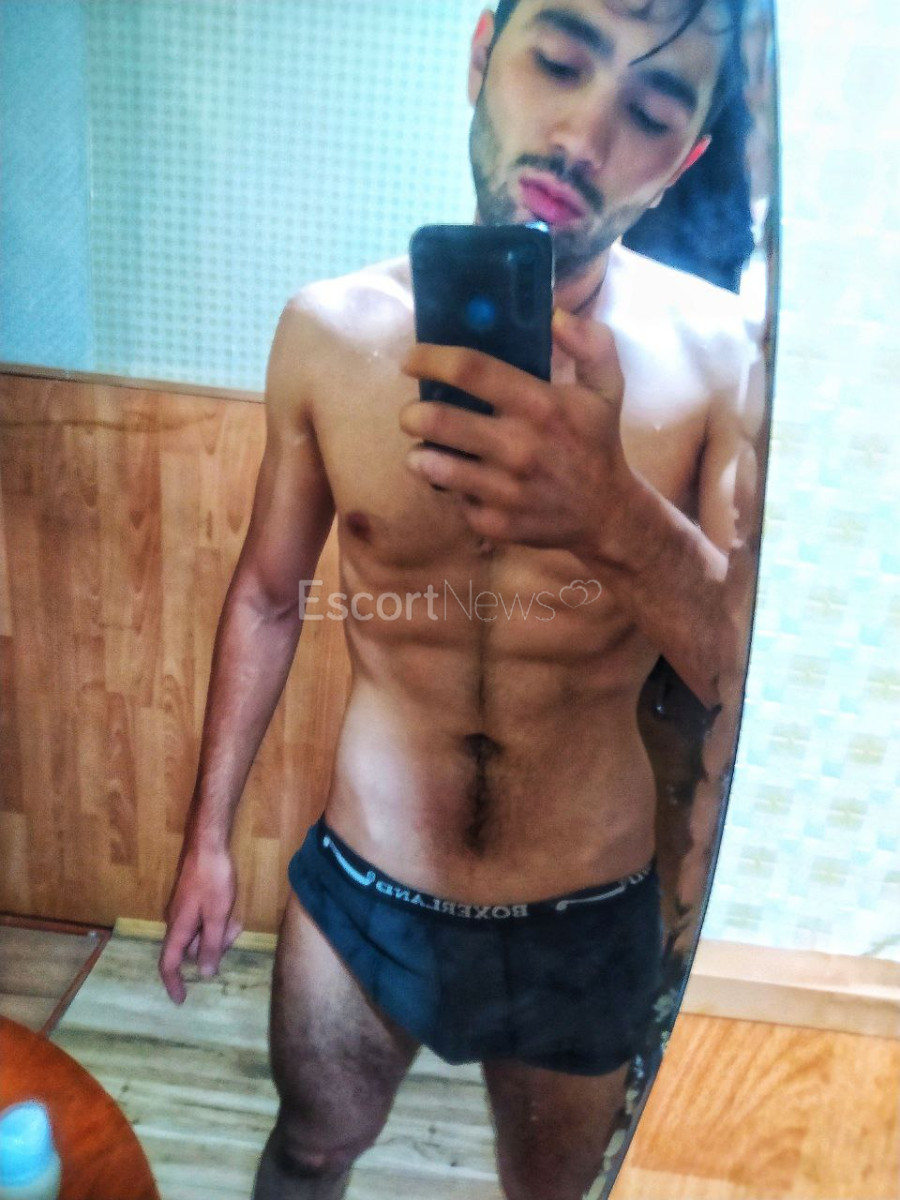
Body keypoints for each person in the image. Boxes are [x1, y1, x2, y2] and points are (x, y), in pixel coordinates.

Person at [159, 2, 763, 1197]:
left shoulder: (717, 362)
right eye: (560, 60)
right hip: (366, 890)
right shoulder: (329, 334)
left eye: (649, 112)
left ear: (684, 158)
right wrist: (206, 842)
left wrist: (615, 513)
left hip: (587, 905)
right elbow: (269, 598)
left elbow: (742, 680)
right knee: (308, 1153)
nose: (582, 135)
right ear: (483, 55)